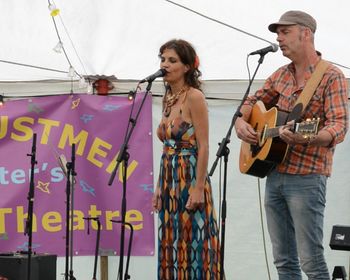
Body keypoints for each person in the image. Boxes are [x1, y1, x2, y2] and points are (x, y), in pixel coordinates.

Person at [235, 10, 348, 280]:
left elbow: (339, 126)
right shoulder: (280, 75)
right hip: (275, 173)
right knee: (283, 261)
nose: (279, 38)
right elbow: (252, 101)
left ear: (305, 33)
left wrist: (307, 136)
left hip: (307, 177)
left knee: (311, 261)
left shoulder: (331, 76)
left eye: (285, 32)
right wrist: (241, 121)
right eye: (277, 34)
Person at [152, 39, 221, 280]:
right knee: (172, 241)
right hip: (169, 178)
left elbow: (203, 145)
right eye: (162, 59)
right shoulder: (168, 97)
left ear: (187, 66)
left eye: (172, 60)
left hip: (190, 175)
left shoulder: (195, 97)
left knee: (194, 242)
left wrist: (199, 187)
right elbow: (167, 148)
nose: (165, 64)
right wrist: (160, 187)